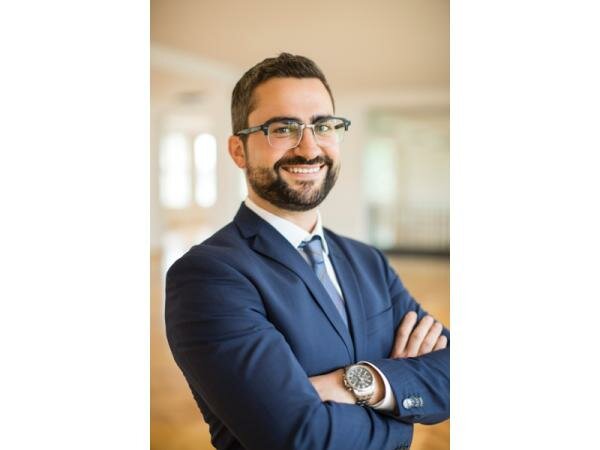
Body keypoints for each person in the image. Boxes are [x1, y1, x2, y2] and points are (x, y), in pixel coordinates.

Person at [165, 53, 449, 450]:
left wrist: (357, 383)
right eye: (283, 128)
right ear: (238, 150)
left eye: (324, 126)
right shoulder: (207, 276)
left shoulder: (368, 260)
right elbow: (299, 437)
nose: (309, 148)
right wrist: (401, 417)